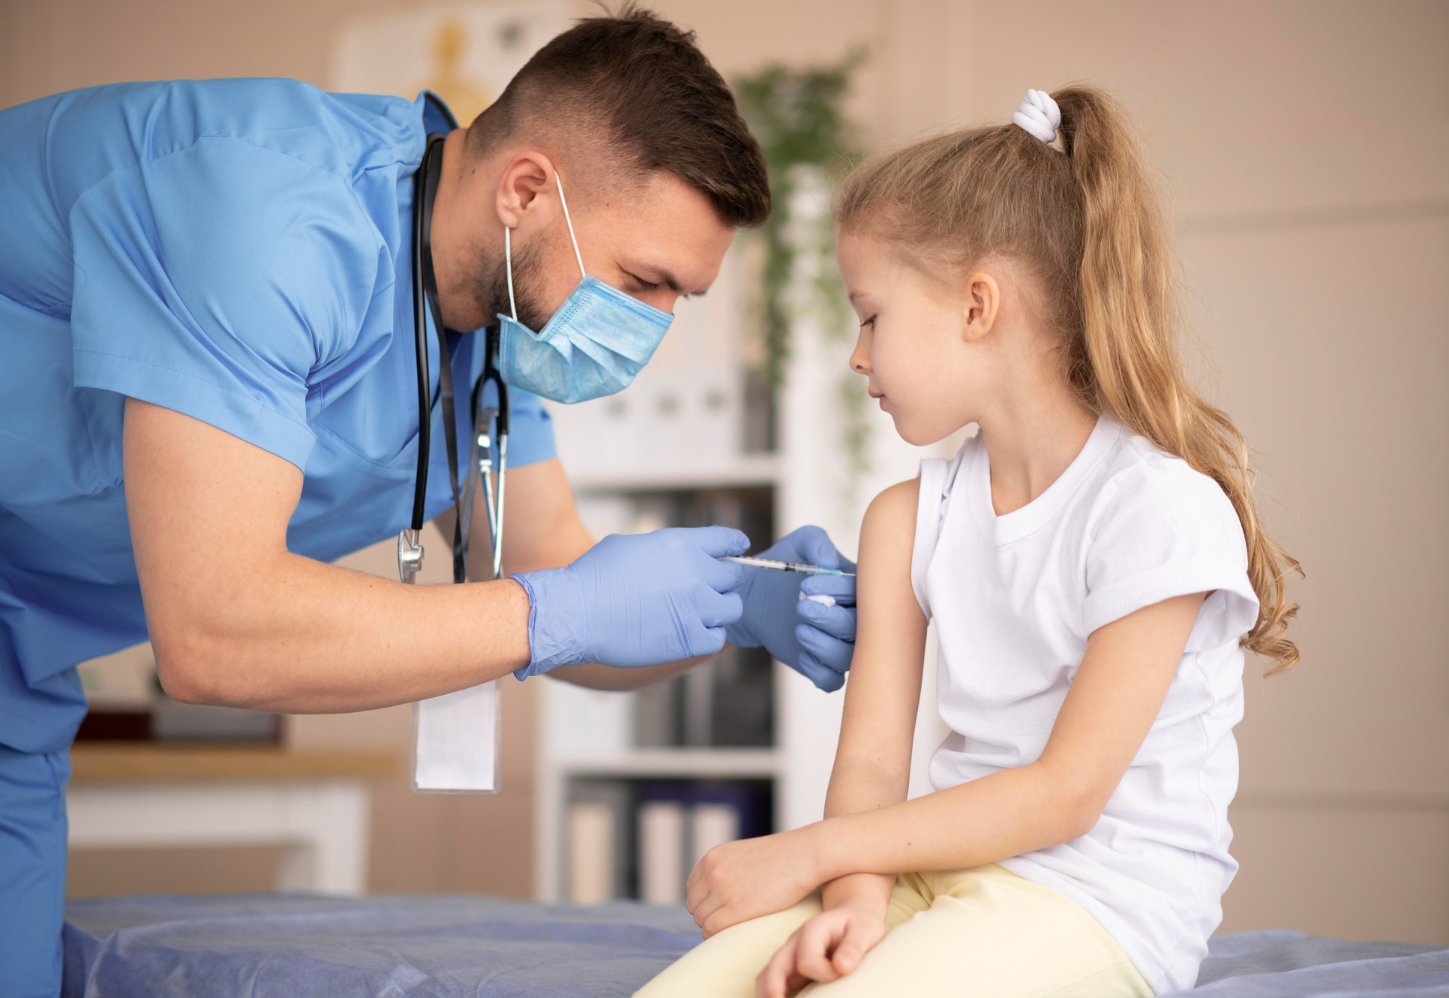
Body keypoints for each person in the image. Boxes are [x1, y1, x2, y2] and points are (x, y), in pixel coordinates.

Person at [0, 8, 858, 995]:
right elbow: (212, 630)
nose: (655, 326)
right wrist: (562, 611)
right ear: (527, 188)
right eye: (643, 281)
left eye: (681, 300)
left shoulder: (495, 332)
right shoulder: (266, 216)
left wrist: (739, 603)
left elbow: (553, 568)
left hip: (20, 681)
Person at [637, 85, 1302, 998]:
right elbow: (871, 761)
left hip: (1096, 901)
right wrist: (854, 898)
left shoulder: (1157, 510)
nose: (857, 356)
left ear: (978, 306)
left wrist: (809, 854)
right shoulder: (907, 519)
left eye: (870, 315)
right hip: (926, 874)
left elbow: (1065, 793)